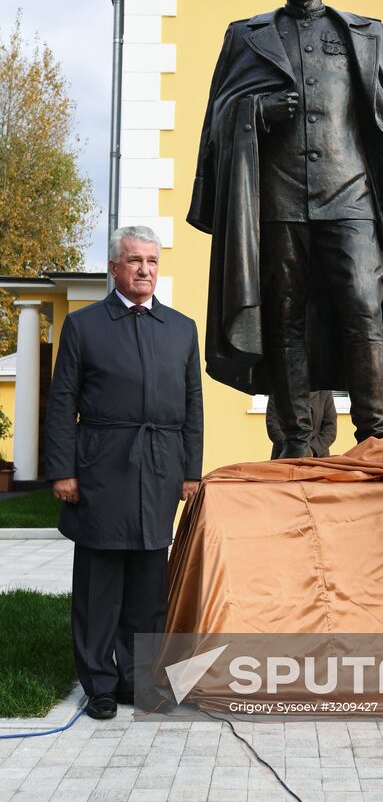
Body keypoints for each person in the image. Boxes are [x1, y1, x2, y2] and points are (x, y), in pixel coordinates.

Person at [187, 0, 383, 458]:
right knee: (285, 314)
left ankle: (373, 435)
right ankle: (295, 438)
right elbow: (217, 121)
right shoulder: (247, 36)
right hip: (279, 197)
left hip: (351, 193)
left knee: (364, 302)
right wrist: (256, 114)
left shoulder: (365, 35)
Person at [45, 226, 203, 719]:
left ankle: (140, 682)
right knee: (100, 587)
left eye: (152, 261)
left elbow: (193, 406)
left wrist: (190, 472)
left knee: (148, 589)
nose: (144, 270)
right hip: (100, 467)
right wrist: (63, 470)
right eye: (134, 261)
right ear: (114, 266)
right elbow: (62, 402)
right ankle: (100, 685)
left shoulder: (181, 328)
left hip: (159, 468)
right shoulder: (85, 325)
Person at [266, 391, 337, 459]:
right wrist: (292, 448)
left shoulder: (324, 391)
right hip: (284, 456)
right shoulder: (278, 388)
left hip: (317, 458)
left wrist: (311, 450)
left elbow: (330, 428)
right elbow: (273, 425)